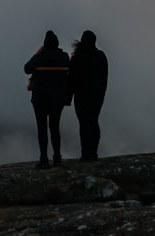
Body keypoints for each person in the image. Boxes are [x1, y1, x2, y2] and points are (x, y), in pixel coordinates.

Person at [25, 30, 70, 169]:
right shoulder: (64, 57)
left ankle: (44, 159)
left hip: (40, 98)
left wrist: (38, 52)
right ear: (57, 43)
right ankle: (57, 158)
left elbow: (27, 69)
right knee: (55, 127)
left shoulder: (40, 57)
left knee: (42, 128)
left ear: (45, 44)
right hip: (58, 98)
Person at [68, 30, 108, 162]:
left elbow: (72, 80)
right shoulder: (101, 56)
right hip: (98, 96)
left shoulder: (77, 57)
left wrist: (68, 97)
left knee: (84, 123)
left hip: (81, 96)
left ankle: (86, 154)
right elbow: (104, 77)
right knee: (94, 121)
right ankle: (94, 153)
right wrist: (101, 93)